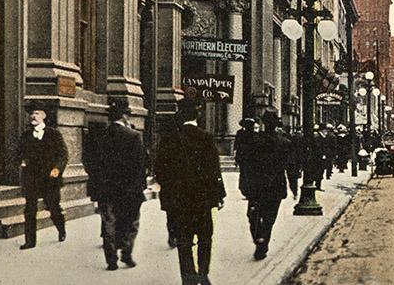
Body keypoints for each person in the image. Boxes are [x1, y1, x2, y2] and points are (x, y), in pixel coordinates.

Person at [155, 99, 225, 285]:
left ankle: (188, 278)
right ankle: (203, 273)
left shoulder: (170, 139)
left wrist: (170, 191)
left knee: (184, 241)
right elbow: (214, 170)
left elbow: (159, 170)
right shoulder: (206, 138)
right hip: (201, 200)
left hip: (179, 201)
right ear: (198, 115)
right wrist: (219, 195)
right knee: (205, 237)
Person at [93, 100, 147, 270]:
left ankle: (111, 261)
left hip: (106, 188)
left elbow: (91, 163)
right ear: (125, 116)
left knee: (109, 222)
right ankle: (126, 253)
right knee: (132, 221)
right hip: (128, 189)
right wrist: (139, 187)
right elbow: (140, 165)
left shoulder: (99, 136)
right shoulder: (133, 136)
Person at [17, 102, 68, 250]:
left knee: (53, 207)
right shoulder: (26, 135)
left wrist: (57, 169)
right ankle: (30, 241)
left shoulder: (54, 134)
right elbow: (19, 153)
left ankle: (61, 228)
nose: (33, 116)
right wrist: (22, 161)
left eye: (37, 113)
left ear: (44, 116)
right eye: (32, 113)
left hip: (50, 178)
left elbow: (63, 154)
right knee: (30, 209)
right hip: (31, 178)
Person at [242, 111, 291, 260]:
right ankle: (262, 243)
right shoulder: (284, 142)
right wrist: (294, 186)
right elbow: (291, 166)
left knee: (253, 215)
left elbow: (246, 165)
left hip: (257, 186)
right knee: (269, 218)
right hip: (275, 186)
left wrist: (244, 185)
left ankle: (259, 240)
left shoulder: (254, 141)